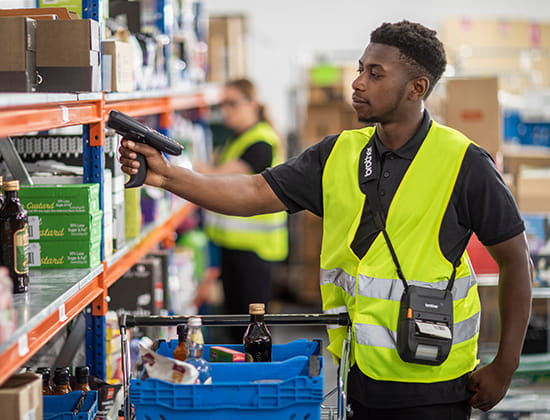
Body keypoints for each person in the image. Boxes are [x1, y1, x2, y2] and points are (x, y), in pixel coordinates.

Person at [119, 20, 533, 419]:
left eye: (375, 73)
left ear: (416, 88)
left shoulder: (464, 162)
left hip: (435, 383)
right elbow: (253, 192)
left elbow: (516, 260)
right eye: (360, 69)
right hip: (357, 375)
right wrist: (167, 175)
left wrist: (506, 364)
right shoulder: (337, 154)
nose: (358, 82)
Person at [193, 79, 288, 342]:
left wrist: (184, 164)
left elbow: (213, 178)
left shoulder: (260, 143)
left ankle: (257, 378)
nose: (225, 111)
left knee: (252, 329)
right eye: (221, 104)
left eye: (231, 103)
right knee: (237, 325)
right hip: (234, 246)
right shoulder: (239, 138)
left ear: (252, 104)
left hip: (255, 250)